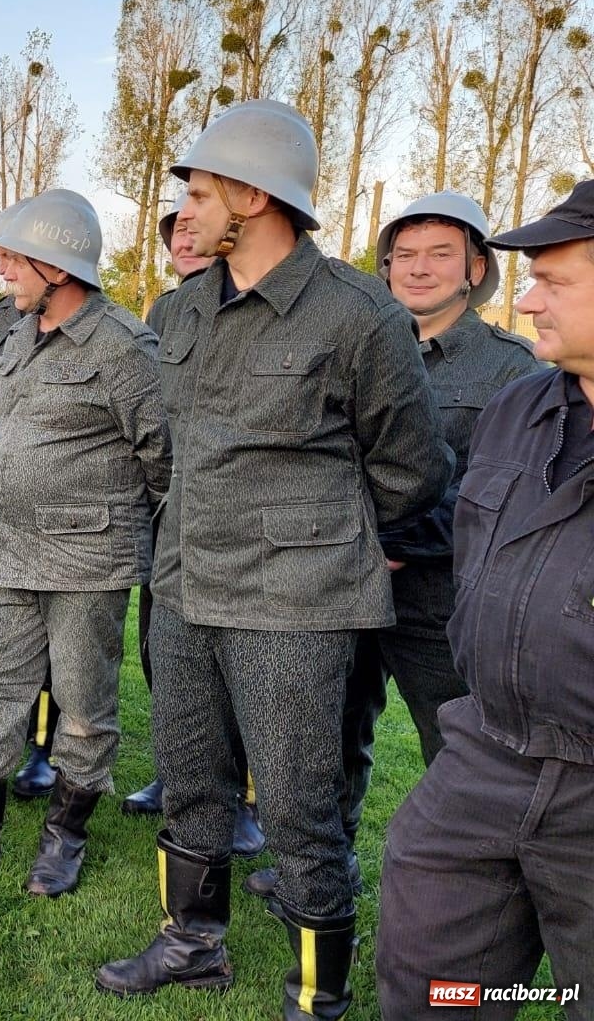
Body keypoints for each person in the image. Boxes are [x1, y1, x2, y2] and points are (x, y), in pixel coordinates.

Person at [95, 101, 450, 1019]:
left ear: (253, 197)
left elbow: (412, 467)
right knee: (191, 780)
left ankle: (317, 992)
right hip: (185, 589)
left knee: (297, 804)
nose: (185, 213)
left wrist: (328, 544)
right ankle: (191, 945)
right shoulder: (180, 308)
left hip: (296, 603)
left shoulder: (357, 313)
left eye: (200, 193)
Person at [247, 191, 540, 905]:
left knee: (460, 745)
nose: (419, 268)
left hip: (439, 597)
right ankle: (324, 872)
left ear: (475, 269)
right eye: (404, 255)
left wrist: (403, 541)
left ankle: (474, 893)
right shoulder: (354, 345)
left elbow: (504, 490)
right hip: (338, 585)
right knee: (330, 736)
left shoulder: (512, 369)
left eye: (440, 254)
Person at [0, 191, 170, 898]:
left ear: (58, 265)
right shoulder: (17, 335)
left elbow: (164, 457)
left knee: (83, 705)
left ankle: (63, 840)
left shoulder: (124, 346)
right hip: (11, 556)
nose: (2, 271)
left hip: (87, 564)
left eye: (13, 259)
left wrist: (121, 528)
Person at [377, 180, 594, 1020]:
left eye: (555, 282)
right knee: (438, 989)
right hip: (486, 757)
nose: (529, 300)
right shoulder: (521, 407)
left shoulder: (498, 365)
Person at [123, 202, 265, 863]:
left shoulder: (257, 306)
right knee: (166, 653)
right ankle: (182, 771)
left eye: (192, 221)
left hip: (238, 521)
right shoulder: (167, 312)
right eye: (173, 228)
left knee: (245, 667)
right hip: (171, 514)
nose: (183, 234)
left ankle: (249, 798)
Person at [0, 203, 59, 803]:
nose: (3, 272)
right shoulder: (5, 316)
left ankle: (45, 745)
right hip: (5, 503)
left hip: (60, 515)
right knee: (8, 639)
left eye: (12, 258)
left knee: (62, 641)